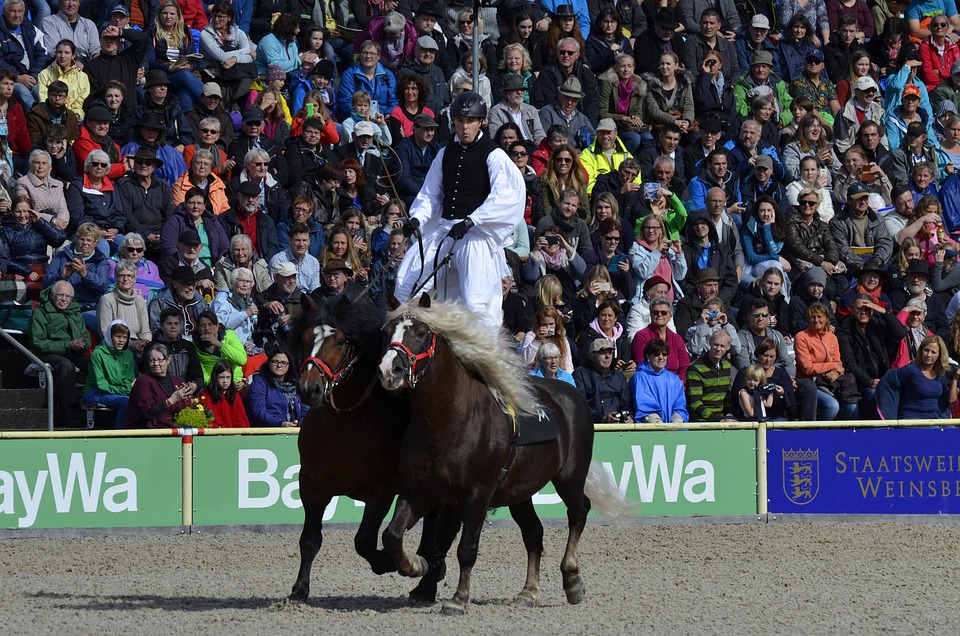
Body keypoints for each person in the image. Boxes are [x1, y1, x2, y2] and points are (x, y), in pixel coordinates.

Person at [394, 91, 524, 328]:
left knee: (475, 301)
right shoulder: (445, 152)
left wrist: (473, 221)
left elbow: (505, 197)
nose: (465, 127)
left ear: (482, 121)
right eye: (460, 121)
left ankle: (481, 359)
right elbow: (431, 194)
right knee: (409, 282)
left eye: (471, 121)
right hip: (445, 230)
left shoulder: (494, 155)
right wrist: (417, 218)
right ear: (453, 121)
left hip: (474, 236)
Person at [28, 281, 90, 427]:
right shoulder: (41, 312)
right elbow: (38, 343)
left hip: (74, 351)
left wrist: (82, 343)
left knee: (94, 362)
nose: (64, 299)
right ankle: (69, 410)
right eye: (61, 295)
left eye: (68, 296)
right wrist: (66, 345)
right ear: (52, 295)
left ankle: (95, 404)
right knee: (65, 365)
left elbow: (86, 337)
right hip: (49, 352)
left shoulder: (74, 311)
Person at [796, 302, 860, 419]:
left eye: (819, 316)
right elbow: (807, 368)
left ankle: (850, 434)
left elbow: (839, 363)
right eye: (812, 317)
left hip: (832, 380)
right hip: (811, 381)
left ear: (826, 319)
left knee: (852, 405)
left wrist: (836, 372)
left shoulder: (832, 337)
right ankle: (821, 434)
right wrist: (832, 366)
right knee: (832, 405)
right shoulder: (801, 337)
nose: (816, 320)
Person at [877, 335, 959, 419]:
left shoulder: (940, 373)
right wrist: (889, 417)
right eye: (926, 350)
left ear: (940, 355)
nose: (928, 355)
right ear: (920, 351)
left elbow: (950, 400)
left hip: (933, 419)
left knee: (953, 430)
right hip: (912, 419)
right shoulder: (911, 370)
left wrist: (955, 378)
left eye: (933, 352)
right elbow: (887, 381)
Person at [126, 343, 197, 428]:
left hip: (179, 428)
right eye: (152, 360)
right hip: (153, 431)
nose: (155, 364)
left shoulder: (178, 381)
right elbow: (146, 413)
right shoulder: (143, 382)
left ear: (168, 360)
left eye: (159, 360)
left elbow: (191, 405)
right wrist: (171, 400)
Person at [82, 320, 135, 429]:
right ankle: (119, 435)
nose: (121, 340)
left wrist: (127, 389)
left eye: (125, 337)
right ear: (110, 336)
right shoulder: (98, 353)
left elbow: (129, 381)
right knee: (127, 401)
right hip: (94, 392)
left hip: (117, 391)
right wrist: (125, 390)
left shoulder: (128, 354)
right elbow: (100, 384)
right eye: (118, 336)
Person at [571, 339, 632, 421]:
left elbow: (626, 403)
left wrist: (629, 416)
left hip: (618, 425)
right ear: (592, 355)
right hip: (592, 425)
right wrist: (602, 418)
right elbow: (580, 405)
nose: (607, 356)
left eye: (610, 353)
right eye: (603, 353)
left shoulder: (619, 376)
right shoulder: (580, 374)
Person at [631, 297, 690, 382]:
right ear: (651, 314)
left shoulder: (677, 339)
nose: (659, 315)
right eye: (655, 312)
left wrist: (678, 382)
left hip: (675, 383)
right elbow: (641, 363)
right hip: (650, 382)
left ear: (670, 316)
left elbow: (685, 366)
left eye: (664, 312)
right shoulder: (641, 336)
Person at [246, 347, 307, 427]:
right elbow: (258, 411)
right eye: (275, 362)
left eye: (283, 363)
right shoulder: (260, 383)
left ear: (289, 365)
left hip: (295, 432)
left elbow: (305, 410)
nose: (279, 365)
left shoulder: (295, 384)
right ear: (269, 363)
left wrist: (300, 426)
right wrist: (280, 424)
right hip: (270, 432)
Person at [631, 338, 688, 423]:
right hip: (651, 431)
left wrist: (675, 424)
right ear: (648, 356)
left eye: (664, 354)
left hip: (674, 432)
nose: (661, 357)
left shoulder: (674, 379)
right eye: (656, 354)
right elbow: (645, 409)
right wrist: (662, 428)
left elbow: (680, 407)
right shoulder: (639, 377)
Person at [685, 330, 736, 422]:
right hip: (701, 421)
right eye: (716, 344)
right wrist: (717, 420)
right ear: (709, 343)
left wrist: (729, 414)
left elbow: (727, 396)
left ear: (728, 347)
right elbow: (695, 404)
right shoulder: (695, 368)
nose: (718, 349)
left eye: (722, 346)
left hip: (722, 419)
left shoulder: (727, 366)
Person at [147, 265, 210, 337]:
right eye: (187, 284)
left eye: (193, 283)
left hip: (199, 341)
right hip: (171, 343)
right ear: (175, 284)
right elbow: (157, 331)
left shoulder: (199, 299)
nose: (191, 288)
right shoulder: (159, 302)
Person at [151, 307, 204, 390]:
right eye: (169, 323)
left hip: (186, 391)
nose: (173, 327)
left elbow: (197, 375)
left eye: (176, 323)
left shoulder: (188, 346)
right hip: (161, 392)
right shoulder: (152, 348)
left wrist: (194, 385)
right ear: (161, 326)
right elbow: (150, 377)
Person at [194, 310, 248, 385]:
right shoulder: (194, 345)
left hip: (235, 382)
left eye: (210, 324)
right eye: (202, 325)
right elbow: (202, 374)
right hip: (212, 386)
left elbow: (241, 360)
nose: (207, 328)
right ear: (198, 328)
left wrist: (219, 344)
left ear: (217, 326)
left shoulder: (229, 335)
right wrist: (218, 386)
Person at [201, 360, 251, 428]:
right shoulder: (206, 395)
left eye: (228, 377)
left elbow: (241, 419)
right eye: (221, 377)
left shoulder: (235, 395)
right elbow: (206, 420)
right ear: (215, 377)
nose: (225, 381)